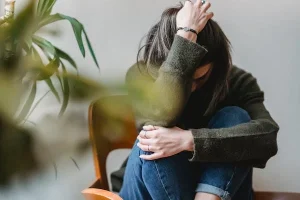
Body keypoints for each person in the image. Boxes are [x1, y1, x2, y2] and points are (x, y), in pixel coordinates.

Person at [112, 1, 279, 200]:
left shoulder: (235, 80)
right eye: (184, 77)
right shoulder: (141, 75)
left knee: (235, 116)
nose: (191, 87)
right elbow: (159, 118)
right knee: (152, 139)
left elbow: (267, 137)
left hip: (211, 192)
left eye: (199, 78)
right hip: (147, 189)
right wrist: (186, 34)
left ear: (216, 66)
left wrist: (190, 140)